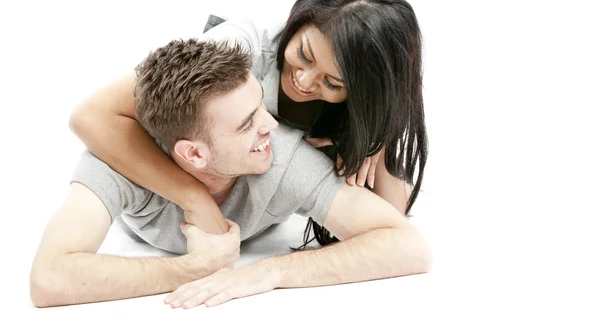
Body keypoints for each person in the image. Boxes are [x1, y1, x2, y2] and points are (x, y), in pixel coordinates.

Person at [30, 39, 431, 308]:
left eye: (261, 106)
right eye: (246, 124)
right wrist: (188, 270)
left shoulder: (283, 157)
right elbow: (49, 277)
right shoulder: (116, 166)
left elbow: (408, 246)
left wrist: (270, 272)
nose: (271, 125)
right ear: (192, 154)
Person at [69, 0, 428, 245]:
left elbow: (391, 227)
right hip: (169, 205)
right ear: (299, 20)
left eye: (332, 84)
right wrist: (192, 197)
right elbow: (91, 115)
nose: (303, 81)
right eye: (303, 53)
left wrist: (379, 137)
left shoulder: (361, 110)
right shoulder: (238, 46)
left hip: (255, 221)